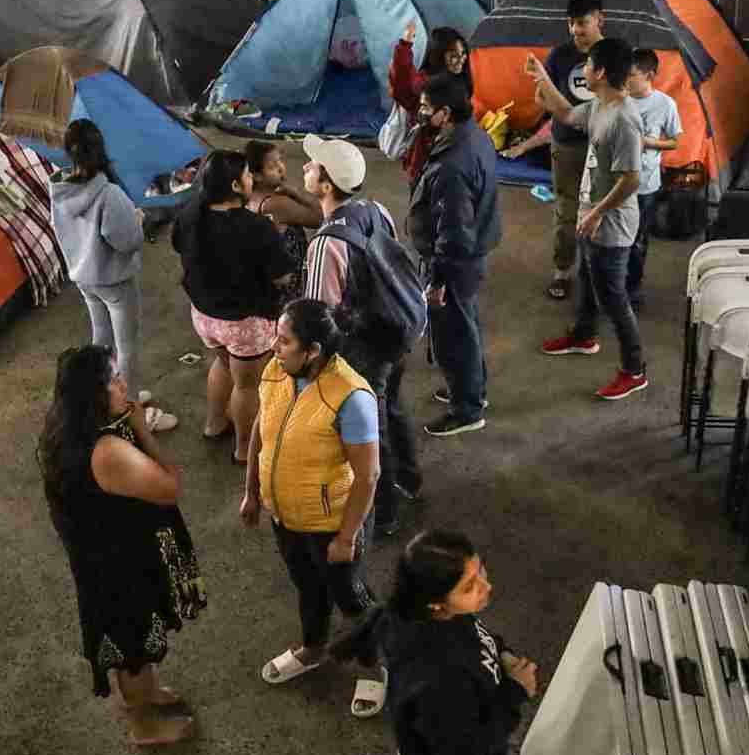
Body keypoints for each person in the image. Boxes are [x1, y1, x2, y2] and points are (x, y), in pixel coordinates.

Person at [40, 345, 206, 746]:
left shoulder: (66, 426)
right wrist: (144, 429)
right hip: (119, 568)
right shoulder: (107, 450)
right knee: (131, 649)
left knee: (139, 643)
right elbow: (170, 487)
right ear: (94, 394)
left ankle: (149, 694)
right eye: (114, 379)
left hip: (107, 555)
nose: (123, 384)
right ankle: (144, 726)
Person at [330, 529, 538, 755]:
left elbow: (477, 636)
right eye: (470, 586)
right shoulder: (438, 679)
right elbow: (467, 750)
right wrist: (515, 691)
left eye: (481, 570)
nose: (487, 586)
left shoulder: (428, 612)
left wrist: (502, 654)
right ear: (436, 605)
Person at [240, 299, 386, 717]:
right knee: (307, 585)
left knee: (352, 597)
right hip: (287, 516)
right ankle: (313, 647)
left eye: (284, 341)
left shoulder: (350, 397)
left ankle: (375, 667)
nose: (274, 347)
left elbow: (369, 475)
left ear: (314, 351)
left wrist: (346, 536)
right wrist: (251, 490)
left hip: (332, 523)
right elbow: (261, 427)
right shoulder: (279, 371)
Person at [300, 134, 423, 535]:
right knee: (393, 407)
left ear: (326, 184)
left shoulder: (325, 245)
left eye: (312, 166)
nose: (305, 167)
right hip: (396, 329)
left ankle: (384, 512)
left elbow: (319, 315)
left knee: (370, 430)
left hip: (364, 347)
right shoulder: (375, 209)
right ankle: (409, 479)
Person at [529, 37, 650, 402]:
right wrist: (541, 77)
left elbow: (631, 179)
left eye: (587, 65)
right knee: (588, 278)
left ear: (599, 71)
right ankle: (583, 336)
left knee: (613, 297)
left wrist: (597, 213)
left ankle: (635, 369)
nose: (582, 70)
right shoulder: (599, 105)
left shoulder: (625, 119)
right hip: (591, 216)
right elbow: (565, 114)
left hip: (611, 224)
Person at [171, 149, 296, 463]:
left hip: (204, 315)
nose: (252, 178)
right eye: (247, 175)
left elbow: (177, 246)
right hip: (244, 323)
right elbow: (282, 278)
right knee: (248, 385)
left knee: (223, 363)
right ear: (236, 186)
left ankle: (214, 424)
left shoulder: (190, 214)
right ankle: (244, 449)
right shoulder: (257, 227)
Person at [52, 119, 176, 433]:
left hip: (84, 278)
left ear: (69, 153)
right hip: (115, 281)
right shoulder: (109, 194)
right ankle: (131, 411)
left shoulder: (59, 190)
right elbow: (128, 241)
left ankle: (104, 399)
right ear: (101, 149)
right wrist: (136, 219)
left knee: (101, 340)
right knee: (127, 346)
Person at [408, 74, 502, 437]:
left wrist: (437, 279)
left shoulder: (452, 164)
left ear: (444, 113)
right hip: (474, 250)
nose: (420, 113)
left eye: (425, 109)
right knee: (468, 323)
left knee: (454, 334)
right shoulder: (474, 135)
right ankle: (471, 389)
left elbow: (452, 229)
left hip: (456, 259)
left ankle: (467, 409)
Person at [500, 0, 607, 301]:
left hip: (602, 147)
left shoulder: (614, 54)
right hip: (567, 146)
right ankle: (562, 270)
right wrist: (544, 89)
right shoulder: (559, 56)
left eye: (583, 23)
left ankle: (599, 275)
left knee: (603, 210)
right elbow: (541, 100)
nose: (576, 31)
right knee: (566, 209)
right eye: (571, 24)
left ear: (600, 19)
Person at [620, 48, 682, 306]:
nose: (627, 80)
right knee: (614, 238)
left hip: (646, 185)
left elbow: (675, 141)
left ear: (650, 75)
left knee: (638, 241)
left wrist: (647, 142)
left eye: (633, 75)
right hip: (617, 182)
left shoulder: (665, 104)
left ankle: (632, 288)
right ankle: (611, 286)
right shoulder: (619, 99)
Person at [389, 22, 473, 186]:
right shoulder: (424, 85)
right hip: (426, 166)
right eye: (454, 55)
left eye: (463, 54)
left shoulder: (461, 79)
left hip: (456, 162)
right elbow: (403, 85)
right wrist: (405, 45)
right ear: (439, 55)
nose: (461, 60)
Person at [246, 139, 323, 304]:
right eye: (273, 166)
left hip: (267, 275)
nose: (281, 168)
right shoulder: (276, 204)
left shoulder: (250, 198)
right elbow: (320, 218)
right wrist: (296, 192)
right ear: (257, 175)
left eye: (280, 160)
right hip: (288, 280)